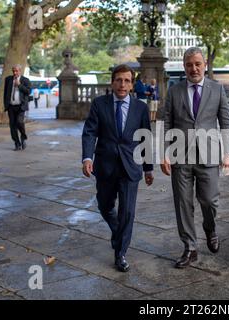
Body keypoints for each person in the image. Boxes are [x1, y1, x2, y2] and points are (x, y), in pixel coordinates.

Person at [161, 47, 229, 268]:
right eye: (189, 64)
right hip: (180, 156)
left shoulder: (217, 89)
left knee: (210, 201)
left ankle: (209, 228)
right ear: (184, 67)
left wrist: (228, 152)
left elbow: (226, 122)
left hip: (209, 154)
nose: (194, 68)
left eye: (197, 64)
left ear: (205, 65)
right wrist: (165, 152)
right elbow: (166, 123)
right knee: (183, 203)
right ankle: (190, 248)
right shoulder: (174, 91)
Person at [82, 64, 154, 272]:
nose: (123, 84)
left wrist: (148, 168)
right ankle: (118, 232)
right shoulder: (99, 104)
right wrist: (87, 157)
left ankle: (120, 253)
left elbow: (145, 139)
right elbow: (90, 132)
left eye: (127, 81)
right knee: (104, 206)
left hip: (131, 167)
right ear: (113, 82)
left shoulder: (140, 107)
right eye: (119, 80)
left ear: (132, 84)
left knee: (128, 212)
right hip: (105, 166)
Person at [3, 64, 31, 151]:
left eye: (16, 71)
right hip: (11, 106)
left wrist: (19, 85)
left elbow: (28, 91)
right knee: (12, 126)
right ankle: (17, 143)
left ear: (20, 71)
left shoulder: (25, 80)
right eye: (13, 71)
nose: (15, 73)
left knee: (19, 122)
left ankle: (23, 137)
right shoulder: (8, 79)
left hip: (20, 106)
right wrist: (6, 104)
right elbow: (5, 93)